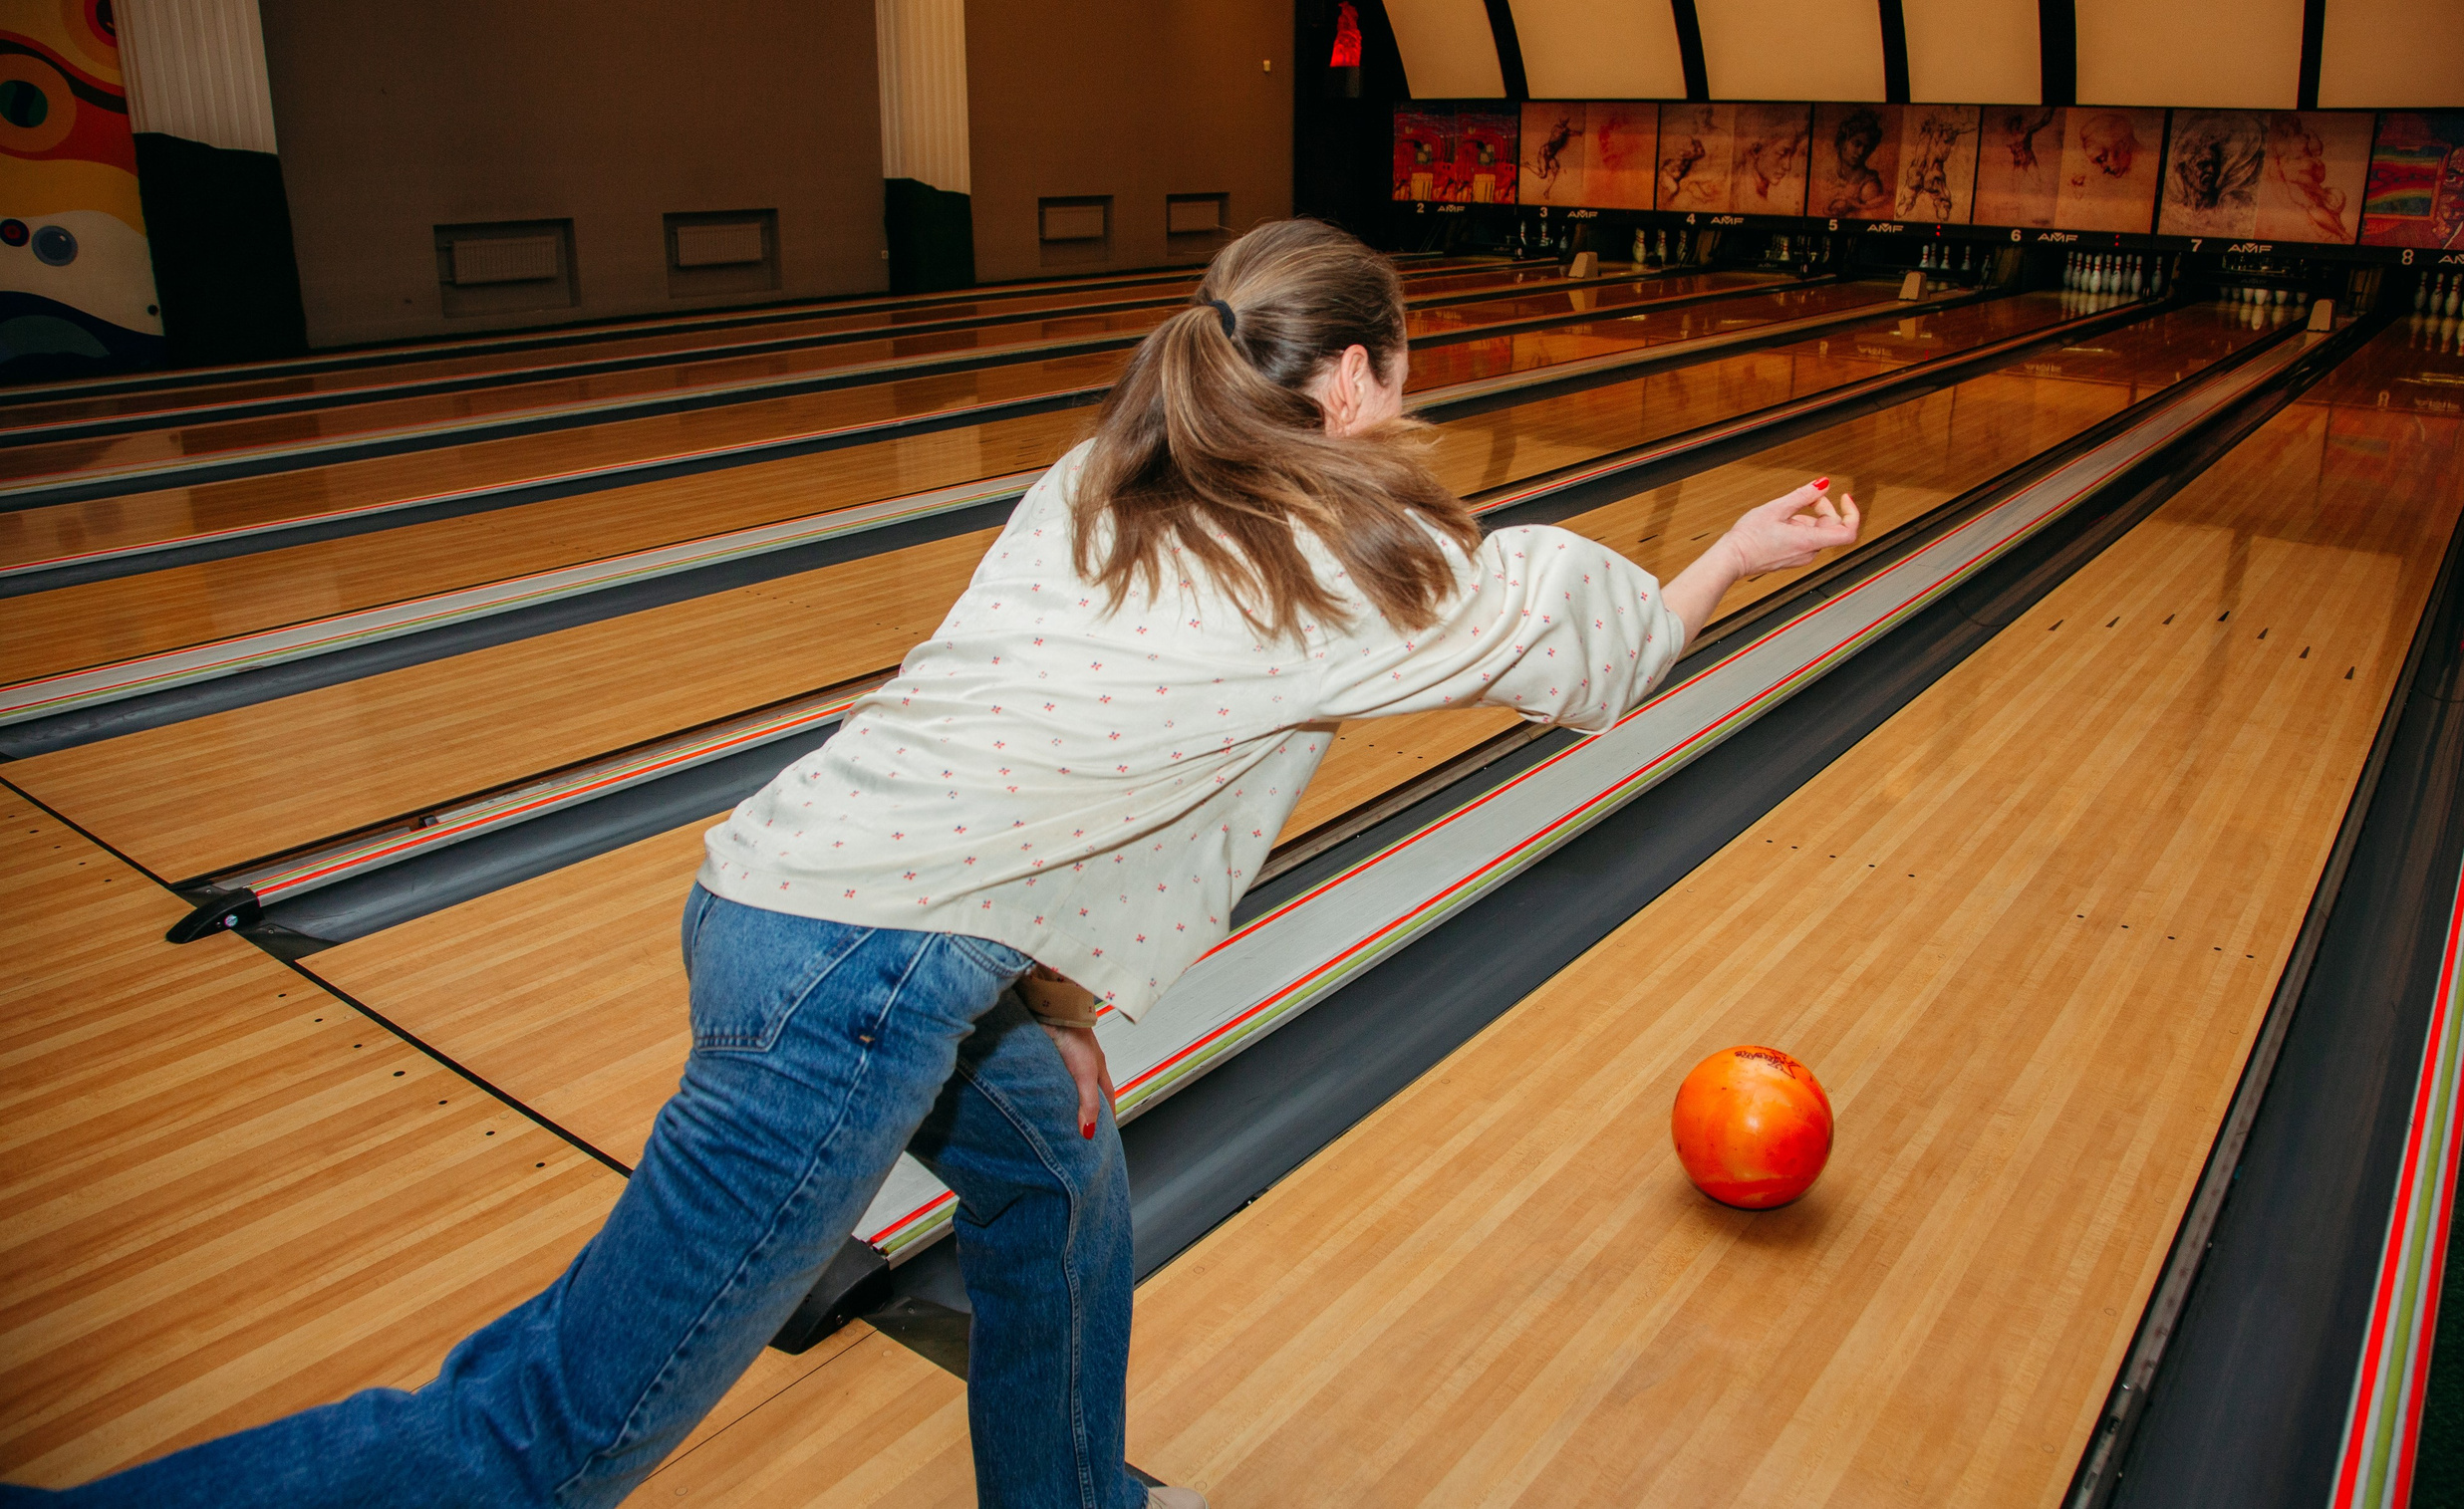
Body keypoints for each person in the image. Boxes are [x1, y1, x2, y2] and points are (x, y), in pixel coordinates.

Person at [11, 220, 1858, 1509]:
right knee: (543, 1437)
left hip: (817, 917)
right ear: (1361, 382)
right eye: (1397, 381)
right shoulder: (1328, 572)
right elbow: (1580, 648)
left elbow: (1051, 757)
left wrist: (1033, 999)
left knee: (1056, 1181)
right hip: (852, 985)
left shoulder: (1099, 475)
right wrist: (1731, 560)